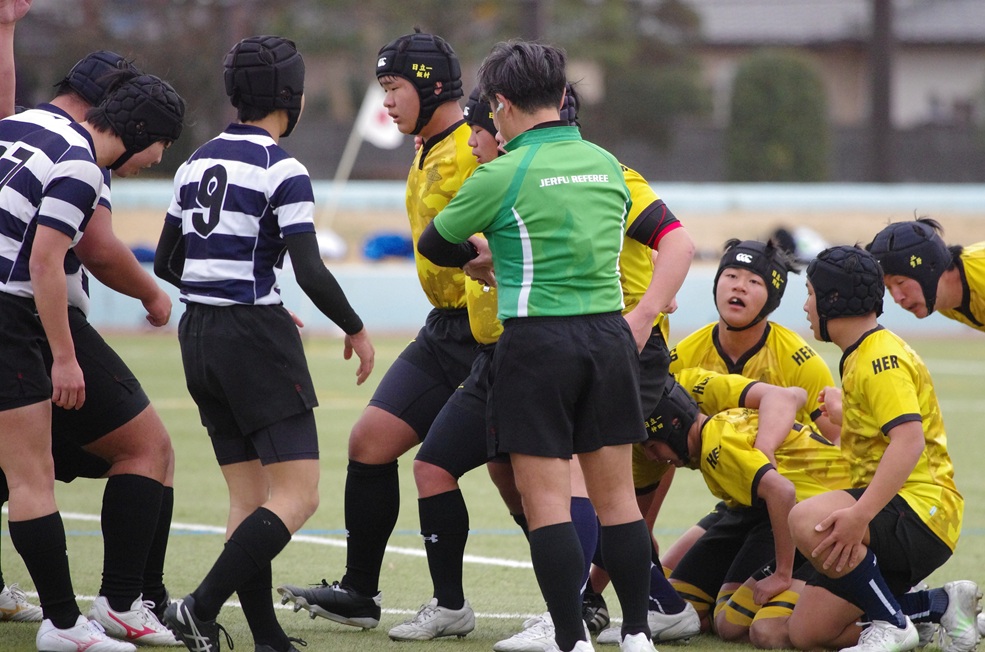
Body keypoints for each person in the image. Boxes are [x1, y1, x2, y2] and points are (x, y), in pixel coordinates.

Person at [416, 39, 656, 652]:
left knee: (546, 503)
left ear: (500, 103)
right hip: (609, 337)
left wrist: (482, 256)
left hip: (537, 341)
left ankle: (571, 639)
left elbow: (435, 243)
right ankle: (637, 634)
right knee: (619, 502)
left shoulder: (502, 172)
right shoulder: (607, 164)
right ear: (561, 95)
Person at [154, 35, 374, 652]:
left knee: (248, 500)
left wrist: (233, 290)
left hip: (198, 335)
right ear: (291, 97)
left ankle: (267, 638)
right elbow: (310, 270)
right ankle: (198, 607)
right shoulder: (283, 169)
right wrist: (355, 328)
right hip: (253, 337)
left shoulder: (194, 163)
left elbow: (168, 260)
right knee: (299, 496)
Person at [277, 29, 485, 631]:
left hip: (490, 334)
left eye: (394, 87)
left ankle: (608, 597)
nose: (387, 101)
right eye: (383, 88)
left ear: (432, 86)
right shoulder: (426, 147)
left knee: (521, 478)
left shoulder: (476, 148)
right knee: (369, 442)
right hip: (444, 329)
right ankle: (360, 593)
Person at [0, 14, 186, 639]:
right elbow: (49, 261)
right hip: (16, 317)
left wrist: (5, 30)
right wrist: (64, 356)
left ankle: (82, 613)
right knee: (129, 452)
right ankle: (94, 612)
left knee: (19, 469)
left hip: (16, 313)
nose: (156, 161)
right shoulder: (79, 159)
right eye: (161, 147)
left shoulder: (18, 125)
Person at [786, 245, 978, 652]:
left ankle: (892, 624)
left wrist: (860, 516)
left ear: (833, 299)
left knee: (806, 518)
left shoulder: (880, 358)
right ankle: (937, 606)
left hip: (922, 511)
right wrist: (847, 414)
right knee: (808, 633)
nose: (805, 306)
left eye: (810, 294)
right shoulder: (861, 353)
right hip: (894, 509)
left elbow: (909, 442)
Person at [642, 368, 850, 648]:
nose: (651, 457)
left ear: (675, 425)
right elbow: (794, 396)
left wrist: (782, 574)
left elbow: (782, 492)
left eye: (653, 446)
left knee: (734, 624)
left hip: (820, 516)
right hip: (772, 512)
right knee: (689, 607)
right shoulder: (721, 425)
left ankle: (885, 608)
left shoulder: (717, 446)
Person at [866, 217, 985, 332]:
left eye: (900, 282)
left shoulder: (980, 269)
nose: (897, 298)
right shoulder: (942, 300)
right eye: (889, 288)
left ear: (931, 268)